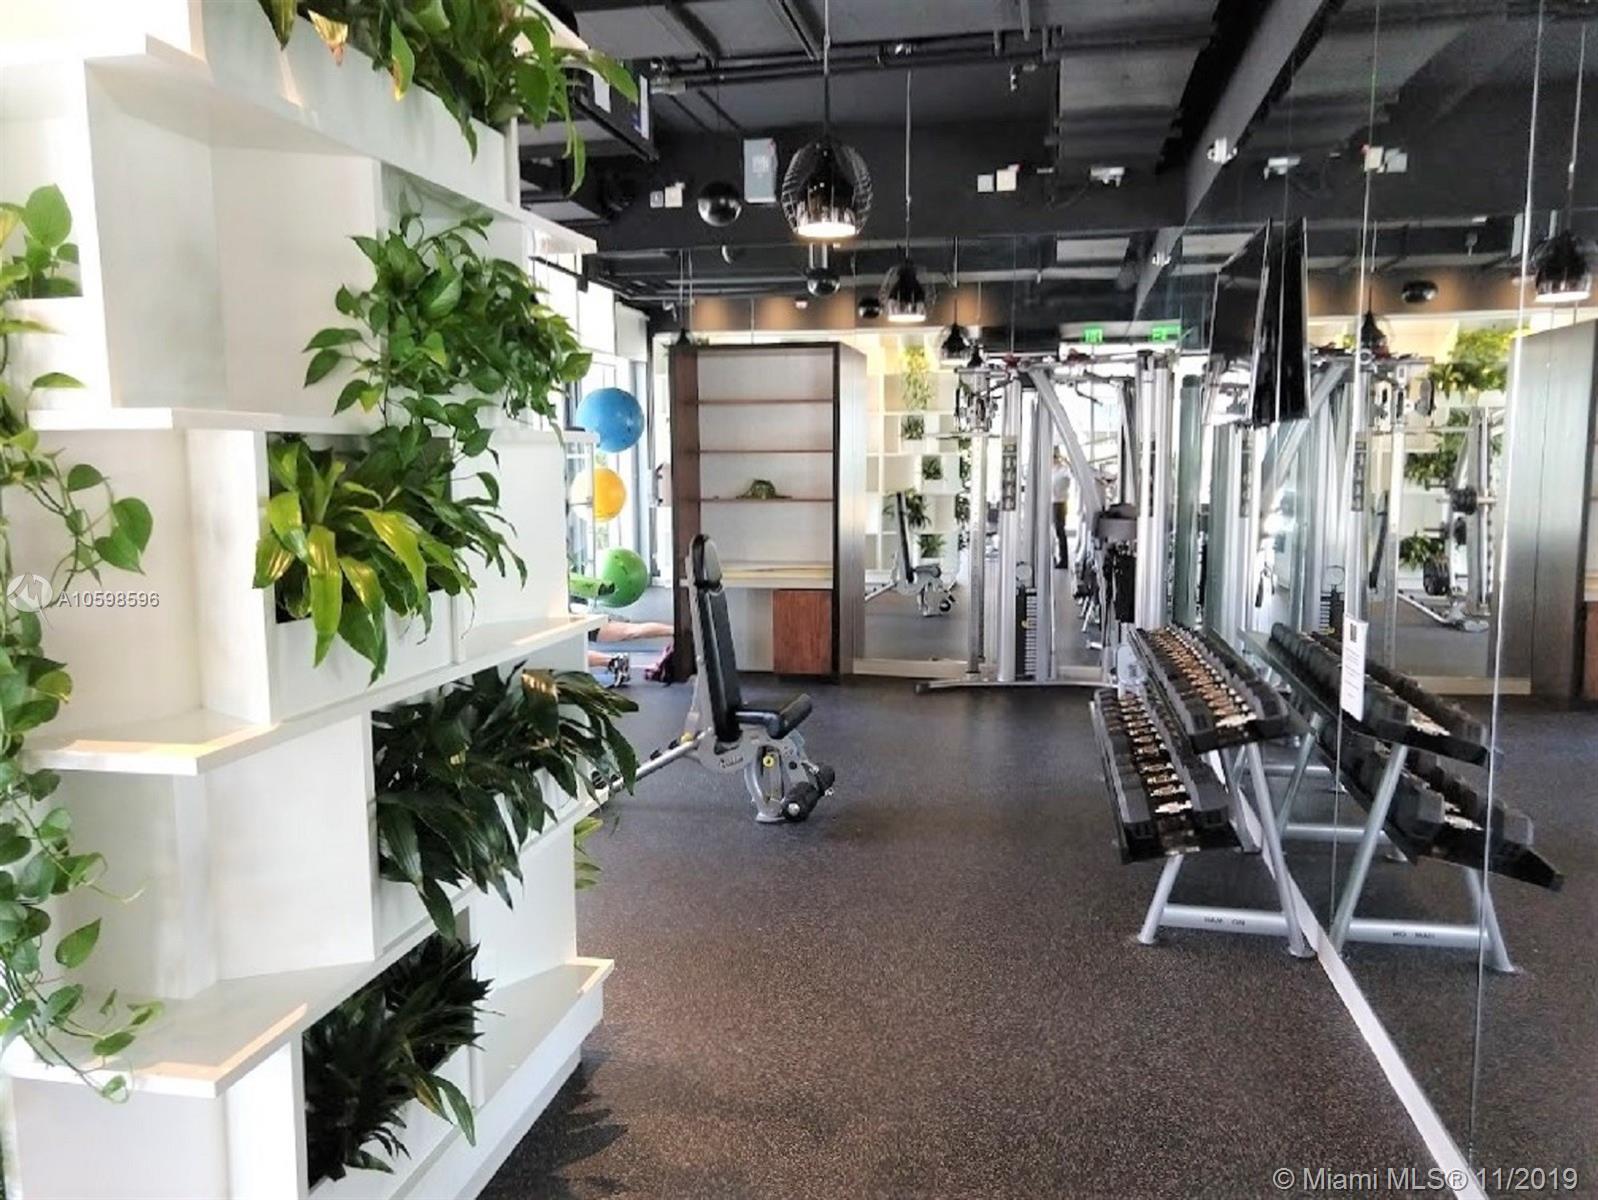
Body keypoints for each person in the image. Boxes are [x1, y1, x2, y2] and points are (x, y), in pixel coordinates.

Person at [1051, 449, 1072, 570]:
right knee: (1053, 532)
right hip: (1051, 503)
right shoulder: (1050, 470)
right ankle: (1054, 557)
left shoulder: (1063, 470)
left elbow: (1073, 473)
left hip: (1060, 503)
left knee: (1060, 531)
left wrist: (1066, 461)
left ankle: (1064, 560)